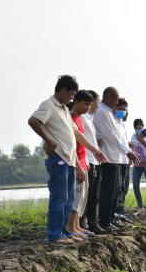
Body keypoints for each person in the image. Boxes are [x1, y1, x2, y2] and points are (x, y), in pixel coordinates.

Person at [28, 75, 107, 244]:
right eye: (71, 94)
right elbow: (33, 121)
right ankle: (55, 235)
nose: (72, 97)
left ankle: (64, 231)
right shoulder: (49, 104)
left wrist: (95, 150)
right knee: (59, 197)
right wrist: (49, 141)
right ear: (62, 90)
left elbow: (76, 133)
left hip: (70, 160)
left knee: (69, 198)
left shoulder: (64, 108)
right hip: (58, 159)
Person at [93, 87, 140, 232]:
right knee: (108, 191)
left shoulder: (109, 113)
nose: (116, 102)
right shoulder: (102, 112)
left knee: (115, 191)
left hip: (117, 158)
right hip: (109, 158)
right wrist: (127, 151)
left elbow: (119, 137)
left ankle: (111, 219)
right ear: (106, 97)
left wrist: (126, 152)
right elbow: (110, 136)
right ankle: (105, 221)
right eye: (114, 100)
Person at [65, 90, 95, 239]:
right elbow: (72, 147)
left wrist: (86, 161)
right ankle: (71, 227)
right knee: (76, 195)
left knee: (83, 196)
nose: (87, 108)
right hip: (75, 163)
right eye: (85, 104)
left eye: (89, 105)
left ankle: (77, 226)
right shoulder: (70, 118)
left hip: (83, 162)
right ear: (76, 102)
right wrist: (78, 165)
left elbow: (82, 145)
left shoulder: (80, 119)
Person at [80, 90, 103, 234]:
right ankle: (84, 224)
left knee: (94, 194)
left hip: (94, 160)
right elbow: (80, 139)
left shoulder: (89, 118)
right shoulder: (82, 117)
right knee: (86, 195)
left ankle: (89, 223)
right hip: (87, 160)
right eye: (97, 103)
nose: (97, 106)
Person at [114, 98, 132, 219]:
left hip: (124, 160)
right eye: (120, 109)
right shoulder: (113, 122)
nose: (123, 112)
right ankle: (118, 212)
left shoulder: (122, 124)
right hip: (116, 160)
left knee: (123, 188)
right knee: (118, 188)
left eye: (124, 110)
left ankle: (121, 212)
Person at [131, 118, 146, 214]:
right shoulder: (132, 137)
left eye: (140, 128)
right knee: (135, 185)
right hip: (136, 165)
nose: (138, 129)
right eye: (136, 128)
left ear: (143, 127)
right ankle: (141, 207)